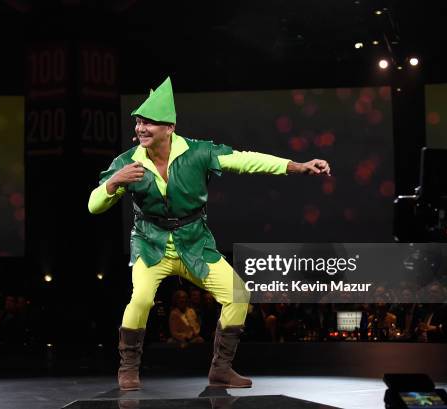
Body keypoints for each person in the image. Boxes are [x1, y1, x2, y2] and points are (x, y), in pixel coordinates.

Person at [88, 77, 331, 391]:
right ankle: (129, 368)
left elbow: (246, 160)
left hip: (194, 243)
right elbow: (94, 206)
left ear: (169, 128)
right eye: (138, 122)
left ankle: (221, 369)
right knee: (141, 299)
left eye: (149, 123)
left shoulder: (199, 153)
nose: (141, 129)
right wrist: (113, 182)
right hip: (150, 243)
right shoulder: (127, 163)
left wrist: (296, 166)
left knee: (238, 295)